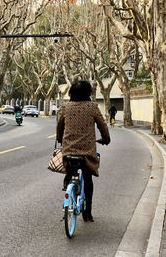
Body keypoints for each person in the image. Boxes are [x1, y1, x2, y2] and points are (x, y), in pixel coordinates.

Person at [57, 81, 110, 223]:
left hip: (68, 150)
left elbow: (60, 126)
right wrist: (106, 139)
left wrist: (59, 139)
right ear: (88, 93)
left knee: (70, 166)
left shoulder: (66, 107)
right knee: (88, 180)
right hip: (87, 152)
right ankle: (88, 213)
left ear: (71, 93)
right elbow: (102, 126)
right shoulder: (92, 107)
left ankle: (68, 179)